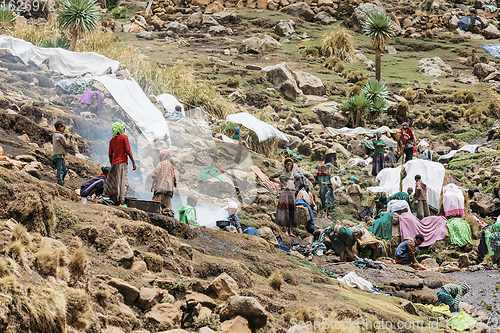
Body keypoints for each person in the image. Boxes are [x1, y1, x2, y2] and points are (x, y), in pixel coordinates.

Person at [103, 122, 137, 207]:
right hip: (122, 163)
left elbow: (110, 154)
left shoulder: (112, 140)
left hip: (114, 163)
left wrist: (112, 163)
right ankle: (121, 202)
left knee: (114, 182)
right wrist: (133, 162)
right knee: (122, 182)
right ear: (120, 129)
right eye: (123, 128)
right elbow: (128, 151)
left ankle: (112, 199)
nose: (124, 130)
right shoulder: (124, 137)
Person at [270, 158, 298, 237]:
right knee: (284, 211)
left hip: (292, 193)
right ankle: (285, 230)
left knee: (291, 211)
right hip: (284, 193)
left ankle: (290, 231)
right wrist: (278, 182)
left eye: (291, 165)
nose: (289, 166)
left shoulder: (292, 173)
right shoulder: (281, 172)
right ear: (285, 165)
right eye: (288, 164)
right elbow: (271, 177)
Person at [52, 121, 72, 186]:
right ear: (60, 127)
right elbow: (66, 145)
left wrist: (64, 137)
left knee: (64, 170)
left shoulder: (55, 135)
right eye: (63, 128)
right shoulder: (60, 136)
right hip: (59, 156)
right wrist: (69, 138)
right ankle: (59, 182)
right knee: (60, 170)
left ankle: (61, 182)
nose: (64, 129)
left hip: (57, 155)